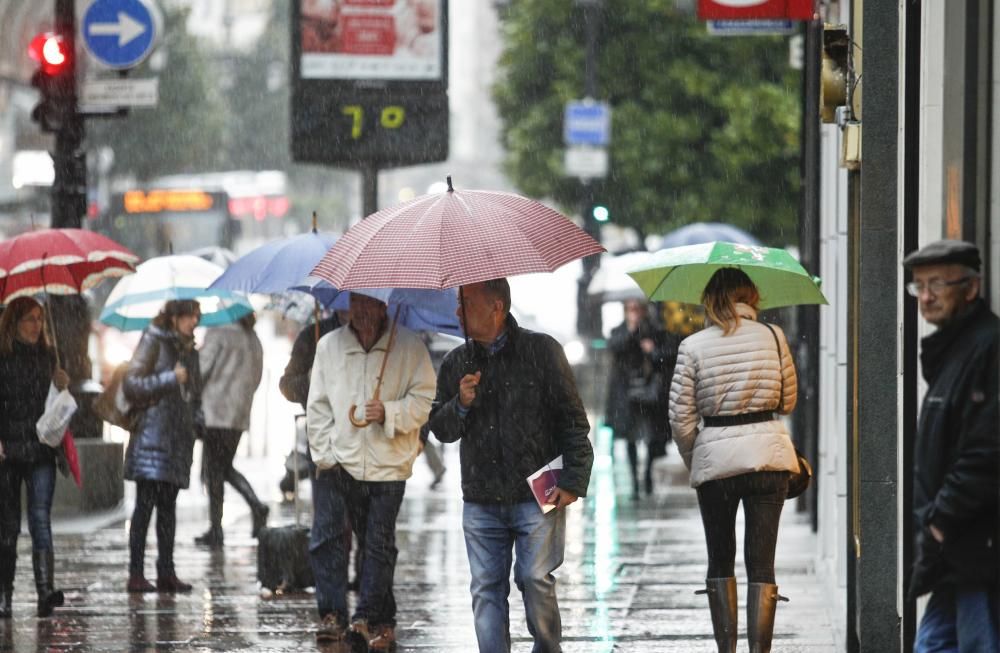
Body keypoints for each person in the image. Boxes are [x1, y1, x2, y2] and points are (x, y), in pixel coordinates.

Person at [428, 278, 594, 653]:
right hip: (481, 498)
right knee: (486, 588)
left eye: (466, 302)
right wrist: (460, 404)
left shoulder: (541, 350)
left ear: (496, 307)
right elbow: (440, 430)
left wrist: (574, 480)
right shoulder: (457, 362)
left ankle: (548, 648)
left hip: (538, 492)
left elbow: (573, 420)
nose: (458, 311)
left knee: (536, 580)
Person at [669, 268, 799, 653]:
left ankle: (726, 648)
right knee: (762, 564)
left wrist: (699, 457)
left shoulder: (692, 346)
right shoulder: (774, 337)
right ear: (751, 296)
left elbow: (680, 419)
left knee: (720, 558)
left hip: (716, 463)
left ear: (710, 299)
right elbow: (787, 402)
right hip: (768, 458)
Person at [307, 293, 435, 649]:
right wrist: (325, 455)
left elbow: (424, 400)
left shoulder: (409, 346)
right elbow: (317, 406)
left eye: (370, 303)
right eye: (356, 303)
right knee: (348, 540)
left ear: (384, 307)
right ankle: (369, 616)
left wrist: (390, 413)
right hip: (342, 463)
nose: (361, 311)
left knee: (378, 542)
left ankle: (364, 617)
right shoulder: (329, 346)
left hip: (390, 465)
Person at [902, 240, 999, 652]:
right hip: (952, 552)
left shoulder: (988, 349)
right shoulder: (953, 351)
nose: (925, 296)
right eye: (919, 285)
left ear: (971, 288)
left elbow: (988, 451)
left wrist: (940, 520)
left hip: (977, 551)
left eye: (938, 284)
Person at [122, 299, 203, 594]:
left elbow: (195, 393)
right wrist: (171, 378)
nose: (194, 321)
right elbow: (131, 384)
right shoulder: (153, 341)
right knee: (145, 507)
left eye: (196, 316)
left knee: (168, 508)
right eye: (188, 316)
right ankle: (136, 573)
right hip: (152, 438)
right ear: (173, 318)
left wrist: (197, 421)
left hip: (178, 440)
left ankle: (166, 571)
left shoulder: (191, 351)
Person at [0, 297, 70, 618]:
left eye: (40, 318)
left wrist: (62, 387)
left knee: (41, 518)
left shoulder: (49, 358)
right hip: (8, 451)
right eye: (30, 318)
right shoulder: (3, 357)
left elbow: (58, 409)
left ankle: (45, 591)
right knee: (7, 526)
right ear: (14, 322)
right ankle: (5, 596)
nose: (36, 324)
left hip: (41, 447)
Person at [194, 312, 267, 549]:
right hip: (238, 413)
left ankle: (218, 528)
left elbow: (201, 369)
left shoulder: (219, 332)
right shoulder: (252, 337)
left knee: (216, 471)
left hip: (215, 412)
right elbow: (256, 378)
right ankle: (249, 509)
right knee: (222, 468)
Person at [605, 299, 679, 498]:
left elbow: (668, 356)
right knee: (630, 439)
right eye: (630, 308)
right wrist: (631, 330)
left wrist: (652, 351)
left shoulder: (656, 330)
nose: (634, 312)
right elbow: (614, 347)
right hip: (627, 396)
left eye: (637, 308)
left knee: (651, 439)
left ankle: (646, 474)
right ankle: (635, 483)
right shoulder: (619, 331)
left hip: (651, 395)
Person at [278, 312, 340, 497]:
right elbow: (287, 386)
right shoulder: (313, 334)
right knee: (326, 516)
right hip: (322, 438)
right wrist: (309, 380)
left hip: (366, 446)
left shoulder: (382, 337)